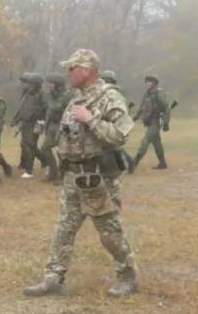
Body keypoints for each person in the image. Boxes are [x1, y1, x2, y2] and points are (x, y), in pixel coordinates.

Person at [24, 49, 138, 298]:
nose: (68, 73)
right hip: (73, 176)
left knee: (109, 231)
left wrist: (92, 119)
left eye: (72, 68)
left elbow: (120, 135)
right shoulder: (76, 97)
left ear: (86, 70)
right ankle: (54, 277)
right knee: (65, 227)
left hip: (98, 178)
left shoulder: (109, 97)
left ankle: (127, 276)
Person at [12, 72, 48, 178]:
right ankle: (44, 161)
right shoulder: (27, 94)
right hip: (26, 122)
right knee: (27, 145)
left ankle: (29, 170)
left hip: (36, 123)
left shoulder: (42, 95)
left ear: (36, 85)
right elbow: (22, 108)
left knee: (30, 146)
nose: (28, 86)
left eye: (30, 84)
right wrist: (16, 120)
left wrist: (35, 115)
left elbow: (45, 109)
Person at [132, 75, 171, 170]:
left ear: (155, 83)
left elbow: (166, 108)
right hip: (149, 121)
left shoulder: (159, 93)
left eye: (150, 81)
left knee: (145, 141)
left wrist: (166, 123)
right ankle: (163, 163)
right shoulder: (147, 94)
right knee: (156, 142)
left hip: (156, 121)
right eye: (147, 81)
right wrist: (134, 118)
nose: (148, 83)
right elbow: (142, 108)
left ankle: (134, 162)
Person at [40, 73, 74, 183]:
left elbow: (56, 107)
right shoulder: (52, 95)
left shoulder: (66, 95)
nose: (49, 86)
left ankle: (62, 175)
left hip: (65, 126)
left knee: (63, 152)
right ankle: (53, 172)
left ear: (58, 85)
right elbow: (48, 111)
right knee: (45, 149)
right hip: (52, 125)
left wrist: (50, 99)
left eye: (51, 84)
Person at [100, 70, 136, 172]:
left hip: (113, 123)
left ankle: (125, 164)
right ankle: (127, 163)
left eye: (107, 80)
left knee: (112, 147)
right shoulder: (112, 93)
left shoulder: (114, 94)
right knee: (114, 147)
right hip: (110, 123)